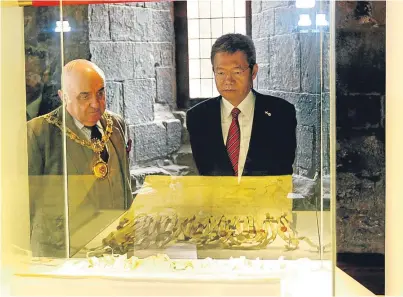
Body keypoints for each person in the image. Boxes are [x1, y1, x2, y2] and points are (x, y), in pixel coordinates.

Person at [27, 59, 132, 257]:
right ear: (63, 97)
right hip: (63, 252)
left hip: (116, 248)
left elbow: (125, 183)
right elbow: (26, 202)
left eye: (101, 93)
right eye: (84, 96)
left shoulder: (117, 125)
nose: (96, 103)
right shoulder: (39, 133)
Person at [186, 33, 297, 177]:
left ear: (254, 71)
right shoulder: (198, 117)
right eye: (220, 72)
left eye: (237, 72)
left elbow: (282, 170)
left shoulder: (281, 113)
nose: (228, 80)